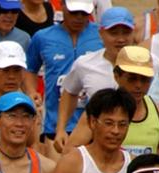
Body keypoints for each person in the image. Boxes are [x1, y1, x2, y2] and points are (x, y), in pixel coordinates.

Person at [24, 0, 101, 153]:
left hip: (94, 127)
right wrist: (32, 91)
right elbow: (30, 69)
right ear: (63, 6)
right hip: (55, 124)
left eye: (84, 13)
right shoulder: (42, 37)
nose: (79, 18)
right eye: (74, 13)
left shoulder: (101, 34)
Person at [54, 7, 135, 150]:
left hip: (137, 137)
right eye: (114, 33)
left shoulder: (149, 63)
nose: (121, 39)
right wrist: (61, 129)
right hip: (96, 140)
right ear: (101, 33)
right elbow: (69, 92)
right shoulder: (85, 63)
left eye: (126, 32)